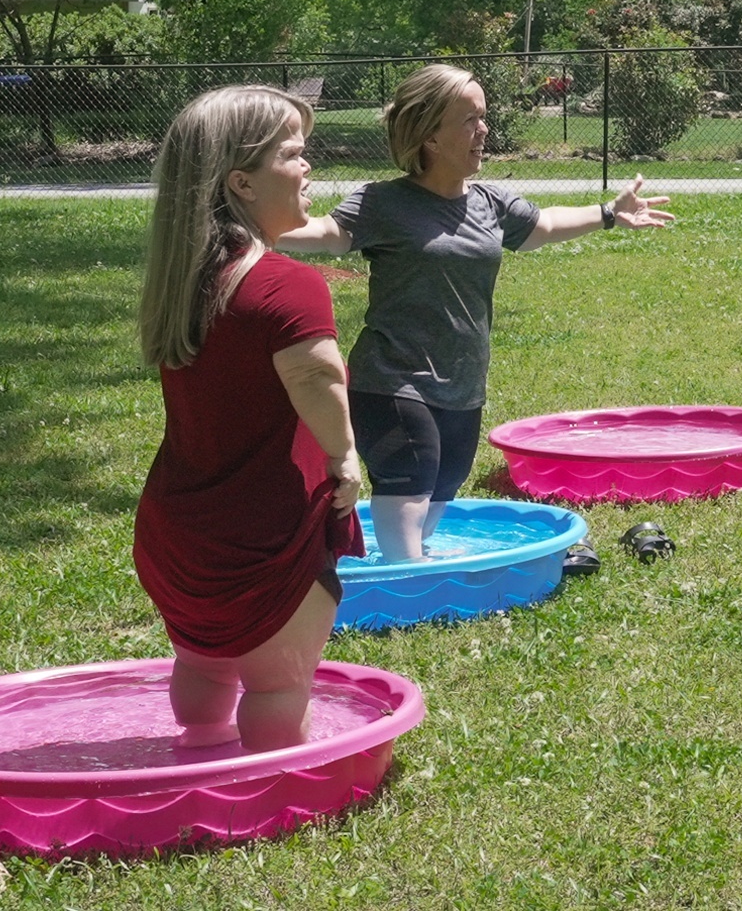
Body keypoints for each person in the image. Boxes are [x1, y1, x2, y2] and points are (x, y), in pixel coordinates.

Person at [278, 63, 673, 562]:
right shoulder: (385, 203)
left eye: (483, 118)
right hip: (392, 379)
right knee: (413, 470)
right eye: (470, 120)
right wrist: (259, 228)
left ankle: (405, 556)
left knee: (448, 475)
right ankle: (407, 579)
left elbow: (542, 226)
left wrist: (609, 214)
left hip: (463, 382)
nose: (484, 130)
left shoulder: (490, 202)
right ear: (430, 136)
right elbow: (329, 235)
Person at [133, 84, 364, 753]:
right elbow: (316, 377)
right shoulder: (284, 284)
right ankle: (270, 800)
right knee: (276, 686)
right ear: (242, 181)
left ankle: (193, 754)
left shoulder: (184, 283)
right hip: (264, 540)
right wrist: (343, 456)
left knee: (203, 669)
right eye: (293, 154)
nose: (308, 167)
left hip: (176, 536)